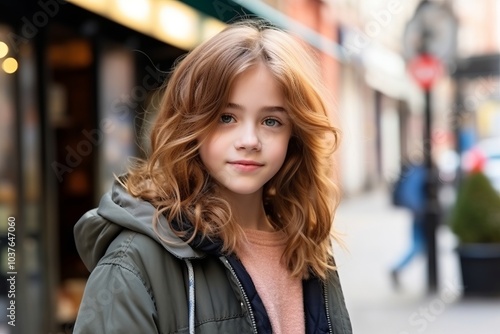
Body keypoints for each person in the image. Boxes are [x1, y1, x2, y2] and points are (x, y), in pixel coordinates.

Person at [72, 20, 352, 334]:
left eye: (271, 121)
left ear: (295, 136)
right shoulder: (133, 263)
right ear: (191, 124)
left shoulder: (307, 244)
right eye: (226, 117)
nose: (249, 140)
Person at [390, 162, 427, 289]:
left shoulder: (419, 170)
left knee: (419, 245)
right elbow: (411, 194)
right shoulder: (419, 171)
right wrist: (419, 211)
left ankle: (397, 269)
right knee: (418, 246)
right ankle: (397, 268)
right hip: (420, 215)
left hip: (420, 214)